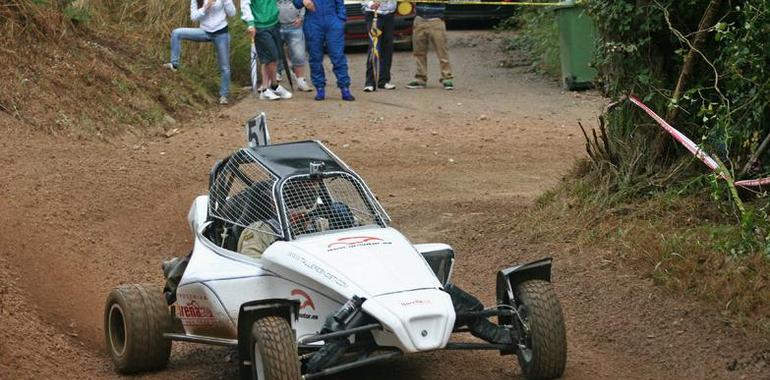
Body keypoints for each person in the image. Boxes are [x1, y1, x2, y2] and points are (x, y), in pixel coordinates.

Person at [164, 0, 237, 105]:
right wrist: (205, 7)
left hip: (221, 33)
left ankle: (224, 95)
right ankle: (174, 64)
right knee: (176, 33)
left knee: (225, 67)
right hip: (204, 32)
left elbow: (232, 13)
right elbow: (193, 17)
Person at [293, 0, 355, 101]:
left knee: (337, 56)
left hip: (333, 21)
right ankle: (320, 88)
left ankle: (345, 88)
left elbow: (340, 3)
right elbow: (296, 4)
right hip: (313, 21)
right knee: (315, 57)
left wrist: (341, 20)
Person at [242, 0, 294, 100]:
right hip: (260, 26)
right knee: (271, 57)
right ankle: (270, 87)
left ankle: (269, 87)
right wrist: (250, 23)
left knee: (270, 58)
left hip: (274, 23)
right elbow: (245, 5)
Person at [405, 1, 454, 90]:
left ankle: (447, 78)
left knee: (442, 51)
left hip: (436, 19)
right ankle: (420, 79)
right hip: (419, 19)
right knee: (418, 52)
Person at [277, 0, 312, 92]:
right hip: (276, 26)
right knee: (275, 53)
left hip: (294, 26)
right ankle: (275, 79)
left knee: (298, 54)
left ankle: (301, 81)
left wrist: (301, 18)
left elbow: (303, 4)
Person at [362, 0, 396, 92]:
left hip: (389, 14)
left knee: (387, 48)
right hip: (374, 14)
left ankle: (384, 81)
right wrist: (370, 3)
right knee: (374, 48)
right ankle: (369, 82)